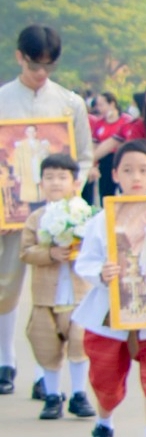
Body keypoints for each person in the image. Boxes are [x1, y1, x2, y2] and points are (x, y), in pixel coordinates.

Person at [73, 139, 146, 437]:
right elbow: (85, 261)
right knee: (107, 380)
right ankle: (104, 425)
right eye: (128, 170)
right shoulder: (101, 220)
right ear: (115, 174)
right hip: (110, 313)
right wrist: (101, 272)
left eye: (143, 170)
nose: (136, 177)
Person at [0, 25, 92, 397]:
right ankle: (6, 359)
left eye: (48, 66)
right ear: (19, 57)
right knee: (6, 285)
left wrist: (70, 204)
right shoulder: (3, 100)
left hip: (57, 218)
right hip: (11, 212)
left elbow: (83, 157)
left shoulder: (69, 103)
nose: (41, 74)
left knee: (54, 292)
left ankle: (46, 373)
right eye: (34, 65)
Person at [20, 153, 94, 419]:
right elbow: (26, 252)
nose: (55, 183)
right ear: (41, 184)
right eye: (49, 177)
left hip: (78, 293)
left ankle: (78, 393)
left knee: (80, 342)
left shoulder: (85, 215)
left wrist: (78, 250)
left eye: (62, 177)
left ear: (75, 183)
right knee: (46, 343)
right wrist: (50, 254)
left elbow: (97, 248)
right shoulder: (36, 218)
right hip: (46, 295)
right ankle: (52, 396)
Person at [86, 90, 126, 204]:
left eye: (101, 105)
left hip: (122, 159)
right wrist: (92, 164)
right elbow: (94, 145)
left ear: (112, 104)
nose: (99, 108)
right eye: (97, 105)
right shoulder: (99, 123)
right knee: (106, 194)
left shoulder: (126, 120)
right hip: (104, 160)